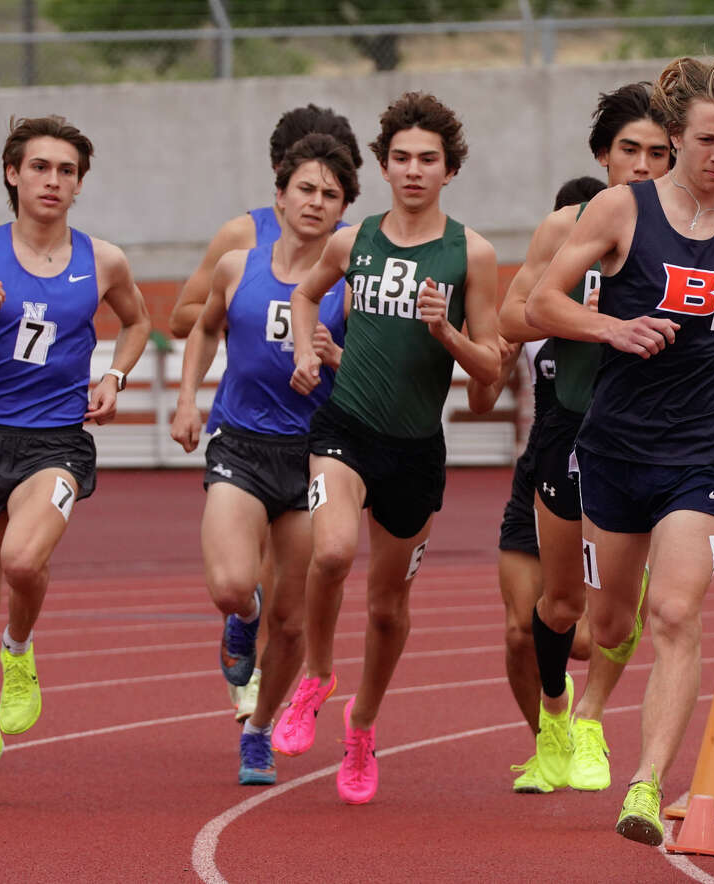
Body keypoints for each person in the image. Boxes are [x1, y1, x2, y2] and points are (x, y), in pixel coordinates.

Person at [526, 46, 714, 845]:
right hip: (614, 451)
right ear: (677, 133)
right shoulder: (620, 211)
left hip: (700, 452)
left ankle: (645, 784)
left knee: (676, 609)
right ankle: (584, 708)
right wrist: (611, 327)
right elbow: (539, 300)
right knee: (609, 621)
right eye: (708, 142)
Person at [0, 115, 152, 807]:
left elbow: (138, 322)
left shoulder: (103, 260)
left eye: (66, 171)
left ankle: (20, 650)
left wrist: (115, 379)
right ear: (14, 174)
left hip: (57, 441)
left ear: (78, 184)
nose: (52, 181)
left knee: (21, 561)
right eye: (40, 167)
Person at [282, 92, 501, 805]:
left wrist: (449, 334)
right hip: (345, 429)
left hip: (414, 449)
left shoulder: (472, 253)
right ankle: (315, 673)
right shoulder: (354, 241)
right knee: (332, 550)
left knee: (385, 606)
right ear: (382, 165)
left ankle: (363, 726)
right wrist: (307, 351)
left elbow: (492, 367)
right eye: (401, 158)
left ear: (449, 169)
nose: (413, 170)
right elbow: (305, 295)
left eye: (428, 160)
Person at [494, 84, 675, 797]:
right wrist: (588, 315)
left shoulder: (694, 231)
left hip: (648, 430)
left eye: (658, 152)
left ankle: (595, 720)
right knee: (562, 604)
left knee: (616, 611)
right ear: (603, 155)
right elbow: (513, 317)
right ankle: (556, 717)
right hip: (569, 428)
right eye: (628, 149)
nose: (641, 164)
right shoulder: (565, 227)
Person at [170, 133, 359, 785]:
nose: (315, 202)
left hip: (314, 456)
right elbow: (202, 328)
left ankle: (257, 732)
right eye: (305, 189)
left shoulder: (349, 286)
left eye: (330, 195)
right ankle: (238, 622)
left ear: (343, 213)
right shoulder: (238, 266)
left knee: (293, 617)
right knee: (231, 586)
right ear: (278, 196)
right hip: (241, 443)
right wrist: (188, 400)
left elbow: (375, 372)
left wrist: (337, 360)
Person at [466, 175, 605, 793]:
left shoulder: (606, 303)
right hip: (539, 467)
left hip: (595, 468)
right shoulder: (530, 308)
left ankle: (575, 712)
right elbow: (491, 368)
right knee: (518, 629)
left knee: (575, 638)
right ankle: (548, 744)